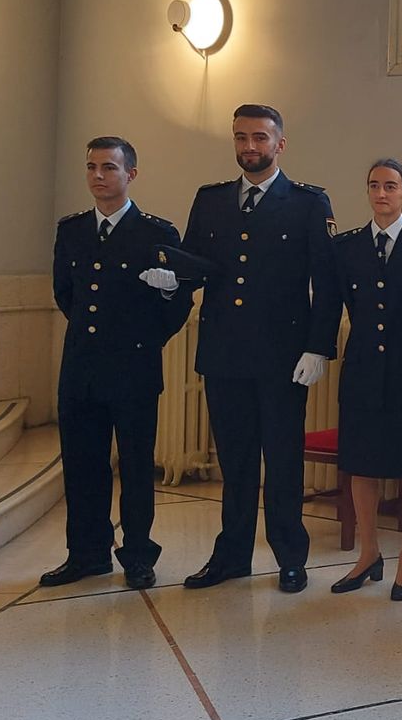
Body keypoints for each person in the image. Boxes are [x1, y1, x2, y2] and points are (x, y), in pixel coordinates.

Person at [139, 103, 341, 594]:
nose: (249, 147)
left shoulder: (309, 203)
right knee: (235, 464)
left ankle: (291, 557)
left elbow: (328, 282)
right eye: (240, 138)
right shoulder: (211, 201)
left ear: (279, 144)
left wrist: (318, 348)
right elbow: (193, 264)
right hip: (225, 353)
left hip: (283, 357)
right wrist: (171, 283)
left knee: (284, 462)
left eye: (260, 138)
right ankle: (231, 556)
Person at [42, 137, 192, 590]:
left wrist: (140, 337)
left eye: (109, 167)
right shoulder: (72, 230)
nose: (98, 176)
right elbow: (65, 292)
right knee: (83, 465)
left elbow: (176, 303)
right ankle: (86, 554)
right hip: (81, 369)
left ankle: (138, 555)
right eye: (91, 167)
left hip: (133, 368)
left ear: (131, 174)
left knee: (135, 467)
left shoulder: (156, 232)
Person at [328, 159, 402, 601]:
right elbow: (334, 308)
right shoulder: (348, 247)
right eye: (374, 185)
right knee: (362, 463)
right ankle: (368, 553)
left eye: (391, 186)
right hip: (362, 370)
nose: (381, 193)